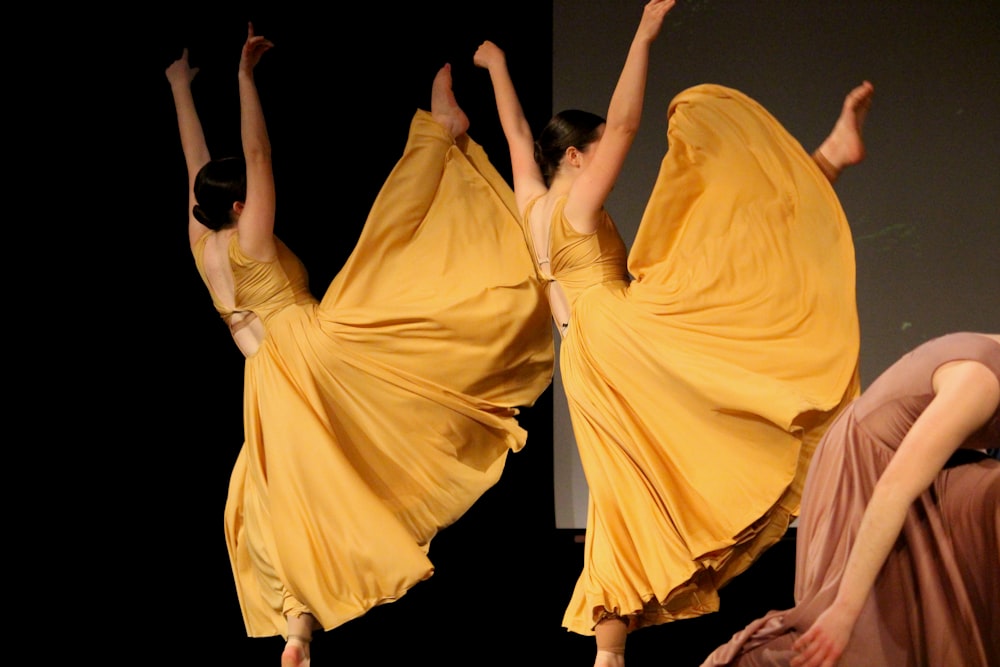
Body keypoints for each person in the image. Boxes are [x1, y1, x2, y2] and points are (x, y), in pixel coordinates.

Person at [474, 1, 873, 664]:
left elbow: (517, 136)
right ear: (573, 157)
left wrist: (496, 67)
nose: (607, 155)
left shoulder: (530, 205)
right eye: (593, 148)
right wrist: (644, 34)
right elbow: (627, 121)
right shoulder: (572, 204)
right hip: (624, 333)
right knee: (731, 255)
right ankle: (829, 156)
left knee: (621, 493)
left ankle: (609, 651)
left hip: (586, 360)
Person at [166, 24, 553, 667]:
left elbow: (193, 165)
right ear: (239, 204)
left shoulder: (200, 244)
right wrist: (243, 80)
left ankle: (297, 626)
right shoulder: (250, 239)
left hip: (263, 380)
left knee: (277, 497)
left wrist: (180, 89)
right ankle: (437, 134)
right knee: (393, 252)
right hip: (314, 349)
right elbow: (256, 158)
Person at [701, 331, 1000, 666]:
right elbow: (894, 488)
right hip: (868, 467)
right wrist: (843, 611)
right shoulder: (980, 380)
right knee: (854, 635)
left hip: (936, 473)